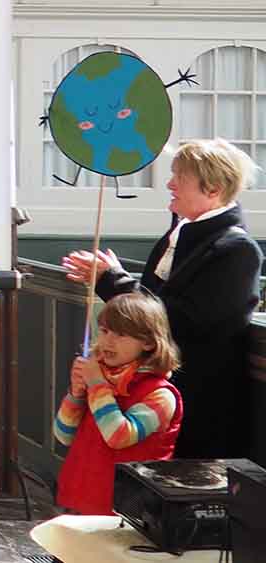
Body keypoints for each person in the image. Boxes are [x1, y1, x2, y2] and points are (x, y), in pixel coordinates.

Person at [62, 139, 263, 459]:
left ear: (212, 189)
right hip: (156, 394)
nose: (170, 185)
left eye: (179, 178)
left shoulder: (237, 251)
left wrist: (111, 279)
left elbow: (180, 320)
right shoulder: (185, 233)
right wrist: (111, 278)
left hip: (199, 405)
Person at [53, 293, 183, 515]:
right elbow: (63, 435)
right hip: (81, 500)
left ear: (149, 342)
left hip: (128, 511)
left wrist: (96, 384)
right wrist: (75, 394)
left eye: (121, 334)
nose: (107, 341)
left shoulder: (160, 394)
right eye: (104, 331)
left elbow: (118, 436)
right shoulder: (102, 380)